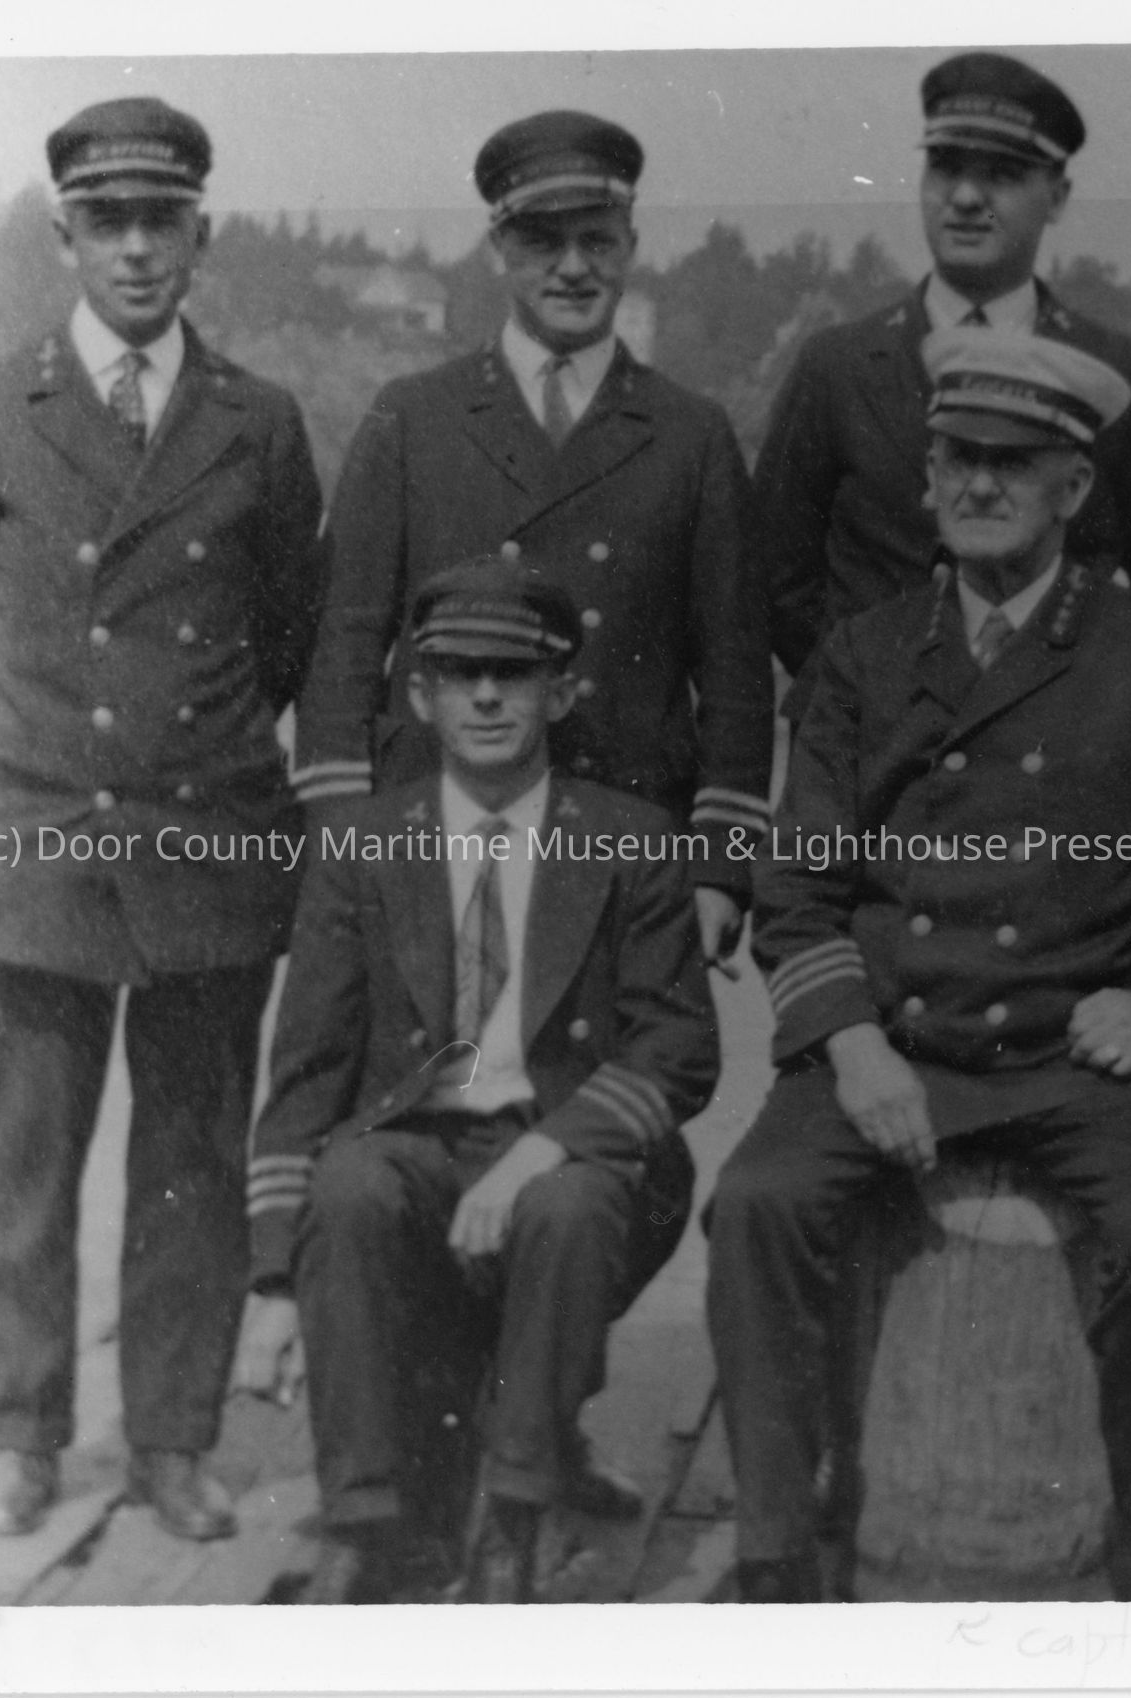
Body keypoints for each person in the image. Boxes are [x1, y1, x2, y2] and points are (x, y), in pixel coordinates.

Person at [706, 328, 1131, 1602]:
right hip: (896, 1039)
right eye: (957, 459)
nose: (980, 484)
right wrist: (853, 1045)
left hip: (1077, 1061)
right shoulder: (866, 653)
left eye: (1014, 462)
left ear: (1075, 488)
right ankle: (775, 1556)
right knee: (757, 1204)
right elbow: (799, 884)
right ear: (928, 476)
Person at [0, 96, 323, 1542]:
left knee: (195, 1161)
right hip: (33, 843)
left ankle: (173, 1442)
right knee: (26, 1159)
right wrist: (24, 766)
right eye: (108, 221)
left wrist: (176, 753)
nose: (137, 248)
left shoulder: (259, 421)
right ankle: (24, 1434)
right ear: (65, 236)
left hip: (207, 839)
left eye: (162, 221)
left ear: (202, 234)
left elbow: (289, 631)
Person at [235, 562, 719, 1604]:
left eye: (515, 674)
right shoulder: (364, 845)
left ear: (562, 692)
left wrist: (542, 1150)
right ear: (421, 697)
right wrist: (275, 1278)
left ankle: (515, 1511)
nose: (488, 698)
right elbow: (307, 1071)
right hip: (414, 1148)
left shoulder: (630, 841)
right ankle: (364, 1522)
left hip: (567, 1145)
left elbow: (678, 1048)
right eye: (460, 675)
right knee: (349, 1187)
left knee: (568, 1206)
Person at [292, 109, 773, 968]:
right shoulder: (412, 417)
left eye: (598, 241)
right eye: (544, 243)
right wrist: (343, 842)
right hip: (429, 832)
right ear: (497, 250)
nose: (574, 268)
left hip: (626, 841)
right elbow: (344, 648)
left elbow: (736, 675)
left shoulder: (691, 434)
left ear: (631, 246)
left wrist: (719, 869)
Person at [755, 49, 1131, 692]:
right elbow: (772, 574)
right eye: (946, 168)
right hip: (867, 737)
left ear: (1057, 196)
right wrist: (859, 697)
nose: (967, 198)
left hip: (1055, 740)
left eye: (1002, 174)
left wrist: (1096, 715)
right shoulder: (837, 365)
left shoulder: (1119, 372)